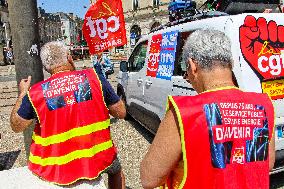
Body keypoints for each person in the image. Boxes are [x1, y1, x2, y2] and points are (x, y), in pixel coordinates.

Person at [140, 29, 275, 189]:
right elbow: (267, 164)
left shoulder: (184, 113)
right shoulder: (263, 104)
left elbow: (149, 178)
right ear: (230, 63)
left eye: (186, 73)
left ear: (192, 66)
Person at [10, 41, 126, 189]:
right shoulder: (94, 78)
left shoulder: (35, 93)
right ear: (69, 57)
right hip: (97, 157)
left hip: (54, 168)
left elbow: (16, 125)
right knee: (116, 171)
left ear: (47, 67)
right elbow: (121, 112)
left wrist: (22, 93)